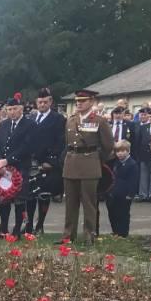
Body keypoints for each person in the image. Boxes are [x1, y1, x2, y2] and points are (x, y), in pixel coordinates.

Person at [61, 89, 114, 244]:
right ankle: (68, 234)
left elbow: (108, 145)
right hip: (71, 163)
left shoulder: (99, 120)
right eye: (77, 101)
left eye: (83, 101)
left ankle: (89, 234)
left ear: (91, 102)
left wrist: (97, 159)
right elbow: (67, 143)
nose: (79, 103)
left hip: (90, 163)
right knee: (70, 203)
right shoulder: (71, 120)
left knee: (89, 202)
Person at [26, 88, 67, 235]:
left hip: (47, 163)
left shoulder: (58, 119)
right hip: (31, 162)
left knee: (44, 195)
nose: (42, 104)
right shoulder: (30, 118)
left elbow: (61, 142)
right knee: (29, 195)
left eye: (45, 102)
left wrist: (51, 161)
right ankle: (29, 223)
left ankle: (40, 225)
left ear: (50, 102)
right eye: (40, 102)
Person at [0, 98, 27, 235]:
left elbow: (26, 147)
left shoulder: (29, 125)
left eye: (15, 109)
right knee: (4, 198)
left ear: (21, 109)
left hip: (20, 166)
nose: (12, 112)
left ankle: (17, 230)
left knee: (19, 200)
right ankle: (3, 229)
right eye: (9, 109)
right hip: (4, 168)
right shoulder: (4, 124)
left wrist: (8, 160)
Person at [105, 140, 138, 237]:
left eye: (123, 151)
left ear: (128, 151)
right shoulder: (115, 163)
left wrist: (130, 194)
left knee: (123, 214)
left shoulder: (132, 164)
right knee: (112, 213)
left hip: (125, 194)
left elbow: (134, 181)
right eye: (118, 151)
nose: (120, 153)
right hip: (113, 193)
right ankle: (115, 231)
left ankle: (123, 233)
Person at [134, 107, 151, 201]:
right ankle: (143, 194)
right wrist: (138, 155)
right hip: (144, 155)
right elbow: (138, 142)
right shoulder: (144, 127)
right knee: (143, 175)